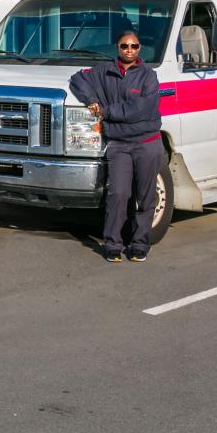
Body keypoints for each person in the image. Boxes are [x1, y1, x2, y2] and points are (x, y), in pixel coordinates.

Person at [69, 30, 162, 263]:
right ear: (117, 48)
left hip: (147, 143)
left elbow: (142, 109)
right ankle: (113, 244)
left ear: (139, 49)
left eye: (134, 46)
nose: (129, 50)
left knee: (145, 197)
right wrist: (90, 100)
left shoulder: (149, 76)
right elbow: (77, 79)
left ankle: (140, 243)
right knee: (118, 195)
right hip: (119, 144)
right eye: (124, 46)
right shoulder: (104, 71)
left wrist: (106, 111)